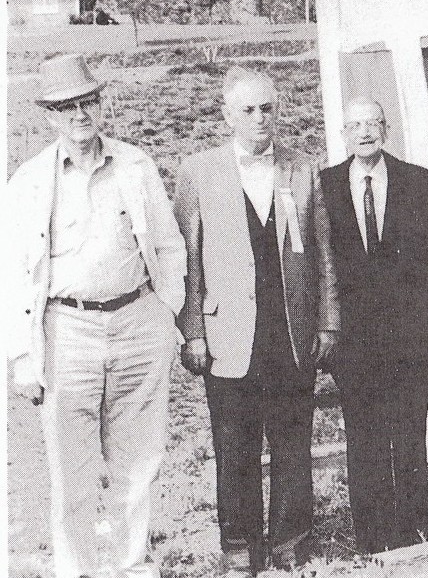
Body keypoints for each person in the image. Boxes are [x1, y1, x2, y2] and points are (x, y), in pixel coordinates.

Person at [8, 53, 186, 578]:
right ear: (49, 115)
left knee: (139, 462)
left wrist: (166, 314)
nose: (80, 114)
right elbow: (12, 272)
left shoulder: (137, 165)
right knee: (72, 470)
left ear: (101, 105)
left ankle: (132, 565)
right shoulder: (30, 180)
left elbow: (170, 246)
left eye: (88, 102)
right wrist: (21, 355)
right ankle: (77, 570)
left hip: (136, 324)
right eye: (67, 107)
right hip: (67, 331)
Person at [174, 67, 339, 577]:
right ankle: (240, 543)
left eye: (267, 107)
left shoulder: (302, 169)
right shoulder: (197, 171)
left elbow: (323, 254)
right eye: (247, 109)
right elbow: (187, 259)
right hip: (227, 335)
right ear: (227, 115)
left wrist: (328, 323)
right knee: (235, 443)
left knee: (292, 437)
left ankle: (292, 537)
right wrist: (194, 331)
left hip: (290, 329)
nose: (259, 118)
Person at [320, 97, 428, 555]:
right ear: (344, 133)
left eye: (372, 123)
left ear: (386, 128)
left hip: (410, 338)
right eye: (354, 125)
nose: (364, 133)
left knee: (410, 435)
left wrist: (427, 331)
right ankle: (372, 536)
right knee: (364, 437)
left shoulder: (418, 181)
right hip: (354, 343)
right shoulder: (326, 186)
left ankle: (414, 529)